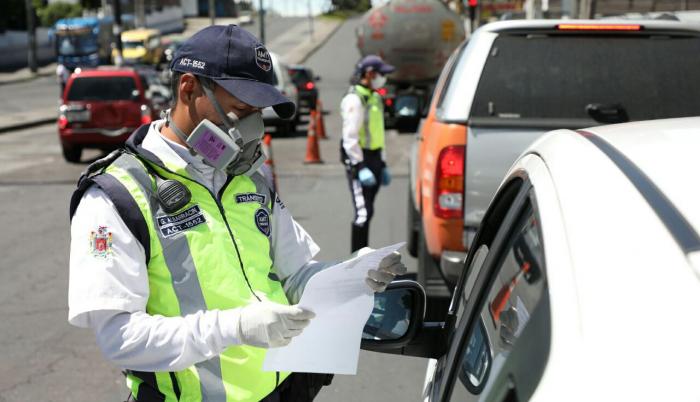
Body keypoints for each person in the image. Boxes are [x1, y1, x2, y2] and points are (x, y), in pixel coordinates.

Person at [67, 25, 406, 402]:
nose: (251, 129)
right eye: (240, 110)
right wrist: (235, 327)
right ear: (189, 89)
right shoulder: (117, 194)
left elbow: (294, 275)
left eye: (257, 113)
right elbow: (119, 337)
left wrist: (348, 274)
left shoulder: (249, 178)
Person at [340, 55, 395, 252]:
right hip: (360, 161)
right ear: (370, 74)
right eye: (381, 74)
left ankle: (363, 257)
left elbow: (378, 133)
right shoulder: (355, 99)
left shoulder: (375, 96)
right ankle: (356, 261)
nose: (383, 78)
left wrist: (383, 162)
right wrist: (360, 166)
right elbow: (350, 137)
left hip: (375, 159)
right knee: (363, 213)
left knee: (369, 212)